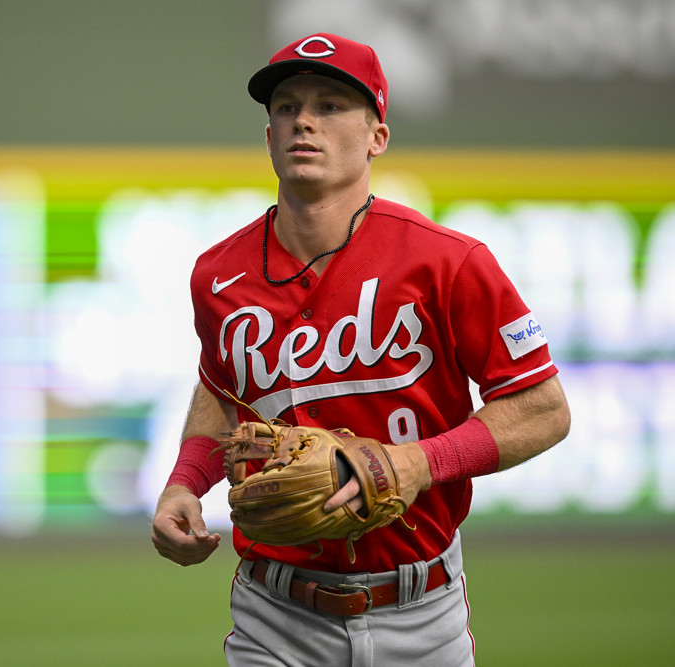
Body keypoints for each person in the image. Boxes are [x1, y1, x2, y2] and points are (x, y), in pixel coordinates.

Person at [150, 32, 571, 666]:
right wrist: (186, 482)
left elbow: (544, 409)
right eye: (287, 106)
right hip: (275, 616)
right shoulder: (219, 275)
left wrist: (417, 463)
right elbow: (221, 388)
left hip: (422, 613)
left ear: (378, 135)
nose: (304, 121)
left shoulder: (449, 263)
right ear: (268, 137)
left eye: (331, 105)